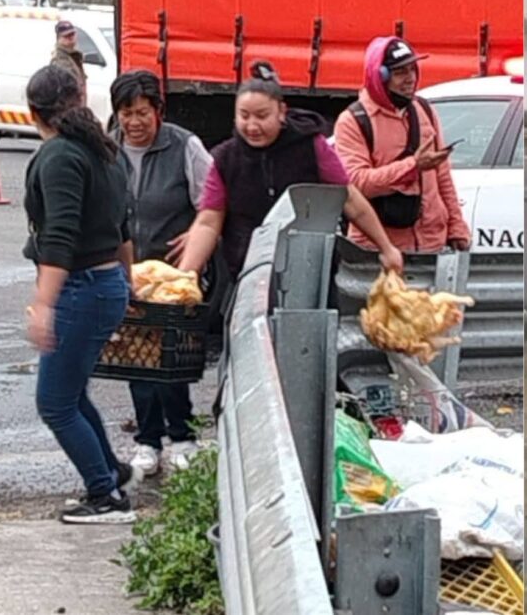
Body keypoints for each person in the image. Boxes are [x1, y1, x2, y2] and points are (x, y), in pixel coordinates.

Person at [23, 64, 139, 524]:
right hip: (105, 285)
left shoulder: (60, 157)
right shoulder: (104, 150)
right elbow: (123, 227)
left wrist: (44, 305)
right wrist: (129, 285)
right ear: (81, 96)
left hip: (81, 288)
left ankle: (106, 496)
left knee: (54, 402)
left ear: (34, 112)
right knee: (71, 393)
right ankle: (110, 471)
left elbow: (60, 239)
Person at [178, 60, 403, 284]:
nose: (252, 126)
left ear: (281, 112)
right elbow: (208, 221)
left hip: (309, 272)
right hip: (247, 273)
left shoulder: (311, 145)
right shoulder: (225, 159)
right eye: (244, 116)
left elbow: (349, 199)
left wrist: (386, 247)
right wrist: (186, 275)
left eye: (262, 116)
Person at [110, 69, 211, 476]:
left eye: (141, 112)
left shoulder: (185, 146)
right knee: (136, 360)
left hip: (174, 276)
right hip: (128, 273)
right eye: (125, 113)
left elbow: (211, 203)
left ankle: (183, 437)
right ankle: (148, 441)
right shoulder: (108, 149)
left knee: (171, 362)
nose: (133, 122)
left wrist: (195, 235)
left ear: (158, 111)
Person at [333, 36, 470, 254]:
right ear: (380, 78)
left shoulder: (424, 110)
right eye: (400, 73)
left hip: (432, 246)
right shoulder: (353, 121)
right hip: (378, 251)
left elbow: (442, 175)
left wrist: (457, 228)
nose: (410, 79)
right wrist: (412, 167)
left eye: (412, 70)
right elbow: (357, 184)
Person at [50, 21, 87, 106]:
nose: (70, 38)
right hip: (68, 109)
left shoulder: (73, 56)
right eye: (66, 36)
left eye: (72, 34)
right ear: (59, 38)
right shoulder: (60, 60)